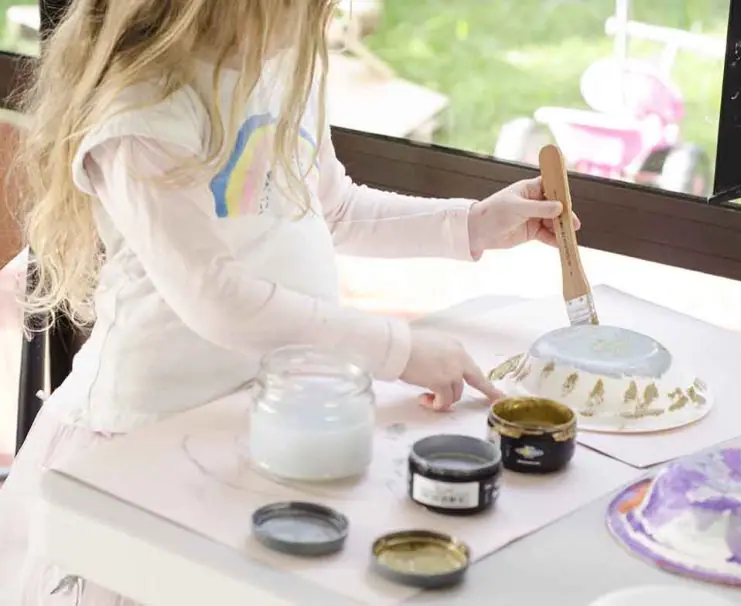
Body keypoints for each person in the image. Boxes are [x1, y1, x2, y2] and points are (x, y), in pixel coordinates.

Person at [0, 0, 579, 603]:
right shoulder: (141, 111)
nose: (321, 16)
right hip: (144, 439)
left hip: (263, 421)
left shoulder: (279, 66)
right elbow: (217, 297)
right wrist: (399, 351)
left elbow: (333, 209)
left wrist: (473, 224)